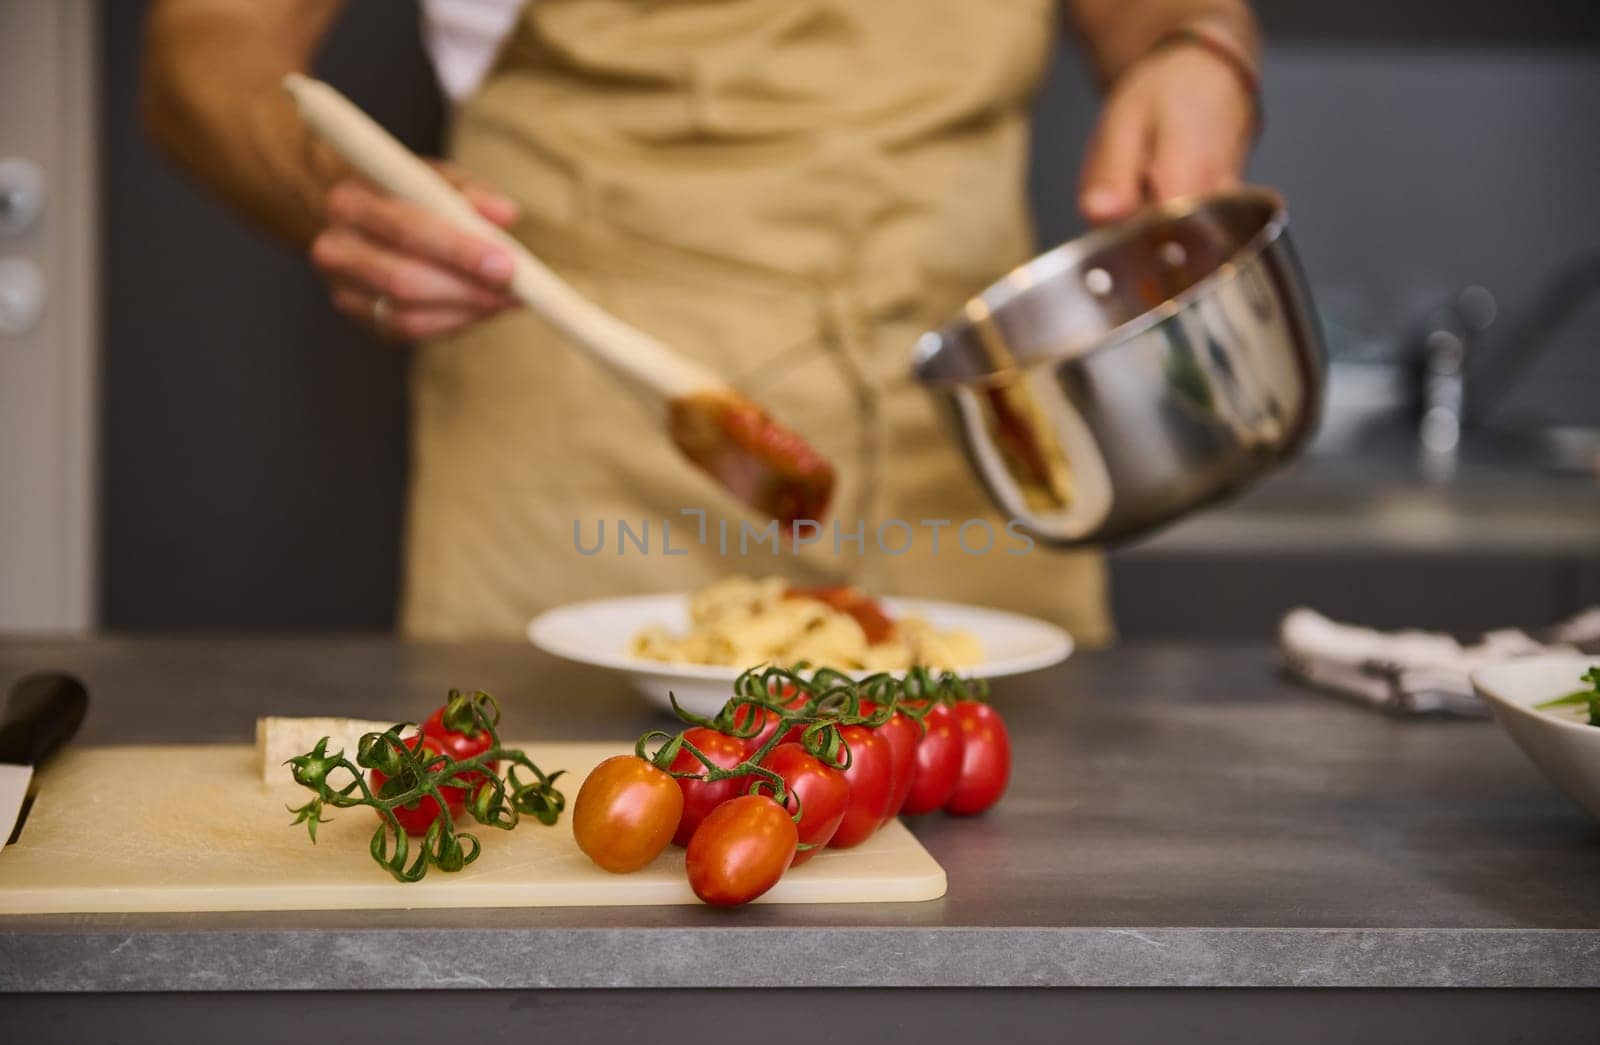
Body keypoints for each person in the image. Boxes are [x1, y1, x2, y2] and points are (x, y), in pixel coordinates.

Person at [142, 0, 1261, 644]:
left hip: (972, 421)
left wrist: (1195, 50)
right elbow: (208, 44)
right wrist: (322, 192)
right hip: (581, 434)